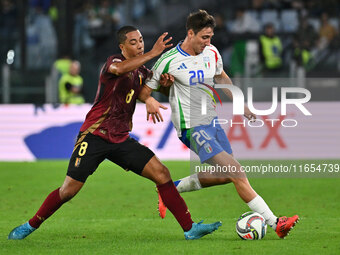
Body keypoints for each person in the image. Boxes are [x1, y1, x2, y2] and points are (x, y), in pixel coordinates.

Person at [8, 26, 221, 241]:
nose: (139, 45)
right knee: (68, 190)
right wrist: (153, 53)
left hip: (120, 139)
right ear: (122, 47)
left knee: (162, 174)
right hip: (95, 135)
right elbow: (120, 71)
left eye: (141, 41)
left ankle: (190, 228)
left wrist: (161, 88)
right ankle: (30, 225)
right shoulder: (113, 63)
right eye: (133, 42)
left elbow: (149, 91)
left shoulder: (142, 73)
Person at [139, 10, 299, 239]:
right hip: (191, 127)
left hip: (212, 122)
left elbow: (222, 77)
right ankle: (276, 224)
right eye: (204, 37)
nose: (208, 42)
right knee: (237, 171)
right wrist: (151, 100)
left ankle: (170, 190)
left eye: (210, 37)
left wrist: (240, 103)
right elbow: (145, 90)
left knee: (225, 175)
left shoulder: (212, 52)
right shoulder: (169, 60)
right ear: (190, 33)